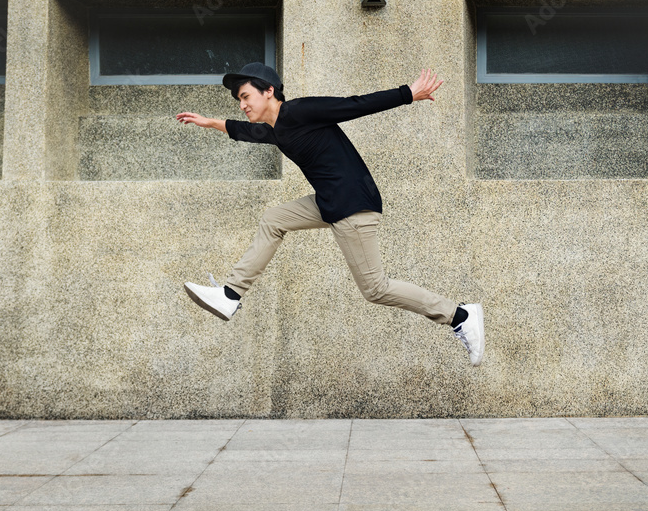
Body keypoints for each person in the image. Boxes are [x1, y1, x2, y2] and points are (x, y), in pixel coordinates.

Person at [175, 63, 484, 366]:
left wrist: (408, 93)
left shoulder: (299, 111)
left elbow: (354, 106)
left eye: (245, 96)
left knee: (375, 289)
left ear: (269, 91)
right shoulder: (276, 129)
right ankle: (230, 294)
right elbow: (242, 130)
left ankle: (460, 315)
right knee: (274, 219)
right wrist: (207, 122)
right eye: (239, 100)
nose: (242, 104)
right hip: (330, 202)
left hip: (352, 204)